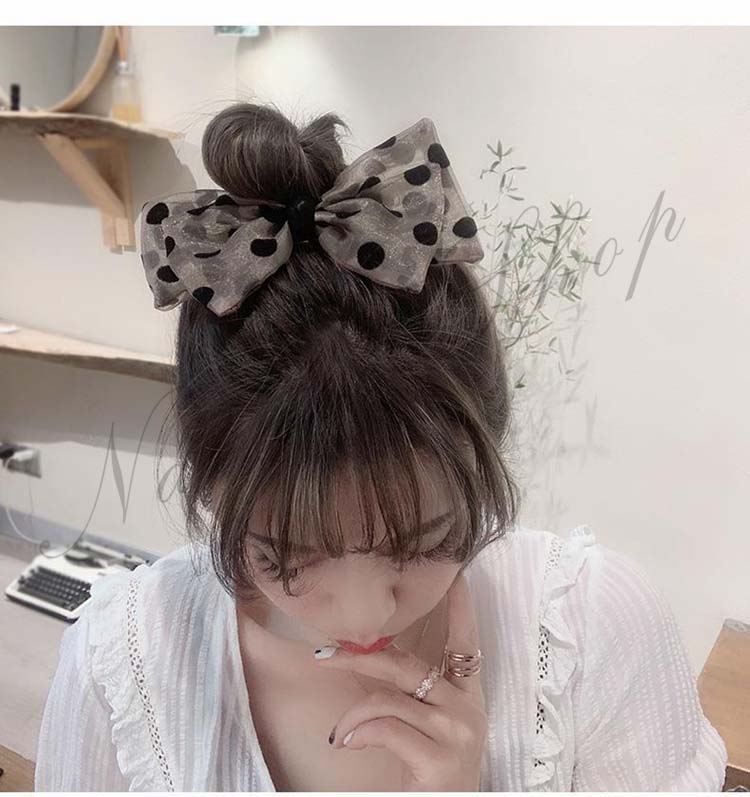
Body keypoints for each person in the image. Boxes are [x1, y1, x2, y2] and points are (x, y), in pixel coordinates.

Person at [34, 103, 728, 792]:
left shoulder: (592, 632)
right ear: (212, 489)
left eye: (423, 542)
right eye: (287, 558)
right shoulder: (120, 667)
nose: (365, 613)